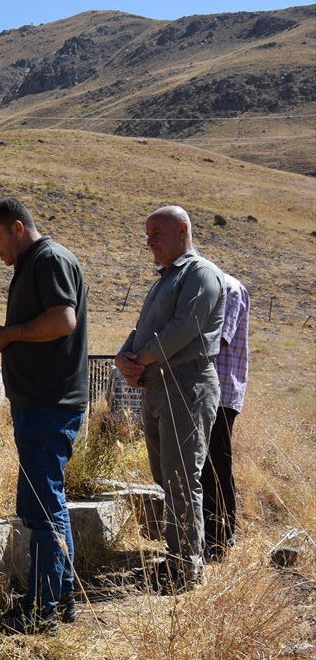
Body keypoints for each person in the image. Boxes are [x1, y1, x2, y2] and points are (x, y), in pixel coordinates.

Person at [0, 197, 89, 634]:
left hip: (48, 402)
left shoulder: (49, 259)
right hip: (39, 402)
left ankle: (41, 610)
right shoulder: (32, 264)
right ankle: (62, 598)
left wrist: (7, 335)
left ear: (18, 228)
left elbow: (62, 321)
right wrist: (0, 341)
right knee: (48, 501)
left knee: (40, 507)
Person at [116, 205, 224, 592]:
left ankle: (184, 569)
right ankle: (175, 557)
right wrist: (123, 356)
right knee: (166, 476)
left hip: (186, 384)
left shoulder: (202, 275)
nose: (149, 242)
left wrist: (139, 360)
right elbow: (142, 328)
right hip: (158, 386)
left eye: (156, 234)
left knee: (181, 478)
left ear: (182, 230)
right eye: (147, 235)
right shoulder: (165, 279)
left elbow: (184, 328)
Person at [202, 273, 249, 561]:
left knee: (215, 465)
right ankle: (214, 537)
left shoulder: (228, 287)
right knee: (205, 465)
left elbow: (218, 338)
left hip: (219, 391)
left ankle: (219, 541)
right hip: (201, 390)